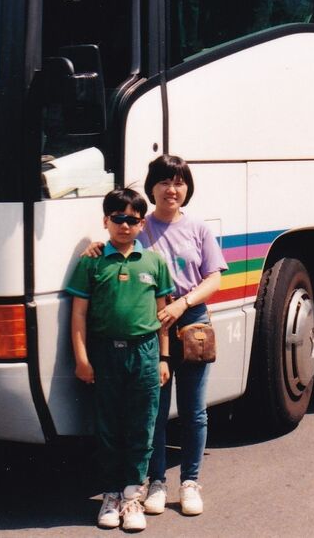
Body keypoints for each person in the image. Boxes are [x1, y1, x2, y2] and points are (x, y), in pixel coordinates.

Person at [83, 155, 227, 517]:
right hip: (151, 327)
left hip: (191, 321)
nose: (171, 189)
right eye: (164, 182)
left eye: (178, 182)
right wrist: (96, 248)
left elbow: (214, 277)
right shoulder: (142, 225)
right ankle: (157, 482)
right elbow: (119, 241)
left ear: (187, 189)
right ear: (152, 188)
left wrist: (183, 304)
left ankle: (190, 482)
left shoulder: (198, 228)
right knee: (155, 413)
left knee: (194, 410)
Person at [68, 188, 173, 531]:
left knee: (142, 426)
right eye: (118, 218)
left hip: (145, 353)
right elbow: (78, 315)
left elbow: (162, 315)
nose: (125, 226)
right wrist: (82, 359)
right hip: (105, 353)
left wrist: (164, 358)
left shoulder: (154, 262)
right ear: (106, 221)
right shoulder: (92, 262)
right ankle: (111, 496)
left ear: (142, 224)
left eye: (132, 220)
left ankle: (132, 496)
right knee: (108, 426)